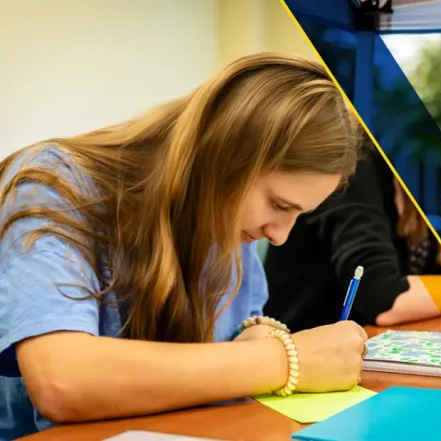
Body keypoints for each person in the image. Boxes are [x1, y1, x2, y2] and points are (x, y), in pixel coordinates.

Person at [0, 53, 371, 439]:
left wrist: (254, 340)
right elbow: (63, 380)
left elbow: (228, 356)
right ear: (222, 157)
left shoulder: (230, 223)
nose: (279, 236)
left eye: (299, 214)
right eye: (278, 205)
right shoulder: (51, 184)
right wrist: (285, 359)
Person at [262, 141, 441, 330]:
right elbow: (384, 299)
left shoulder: (419, 180)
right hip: (305, 355)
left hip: (360, 351)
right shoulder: (352, 170)